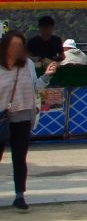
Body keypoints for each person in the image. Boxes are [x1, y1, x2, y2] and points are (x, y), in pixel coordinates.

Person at [0, 30, 58, 210]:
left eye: (20, 45)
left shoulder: (28, 65)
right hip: (1, 116)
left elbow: (35, 87)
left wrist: (46, 76)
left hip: (23, 115)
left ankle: (19, 195)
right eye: (13, 45)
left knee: (19, 157)